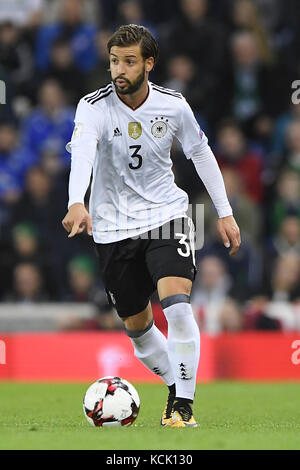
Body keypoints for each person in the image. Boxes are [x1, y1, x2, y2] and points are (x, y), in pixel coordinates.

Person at [62, 24, 240, 427]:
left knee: (177, 308)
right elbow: (83, 155)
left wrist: (225, 212)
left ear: (148, 63)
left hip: (166, 216)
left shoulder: (174, 105)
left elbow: (202, 154)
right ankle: (176, 392)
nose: (119, 71)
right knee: (139, 329)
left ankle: (183, 408)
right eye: (113, 62)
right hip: (111, 228)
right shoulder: (92, 106)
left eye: (128, 62)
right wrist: (76, 201)